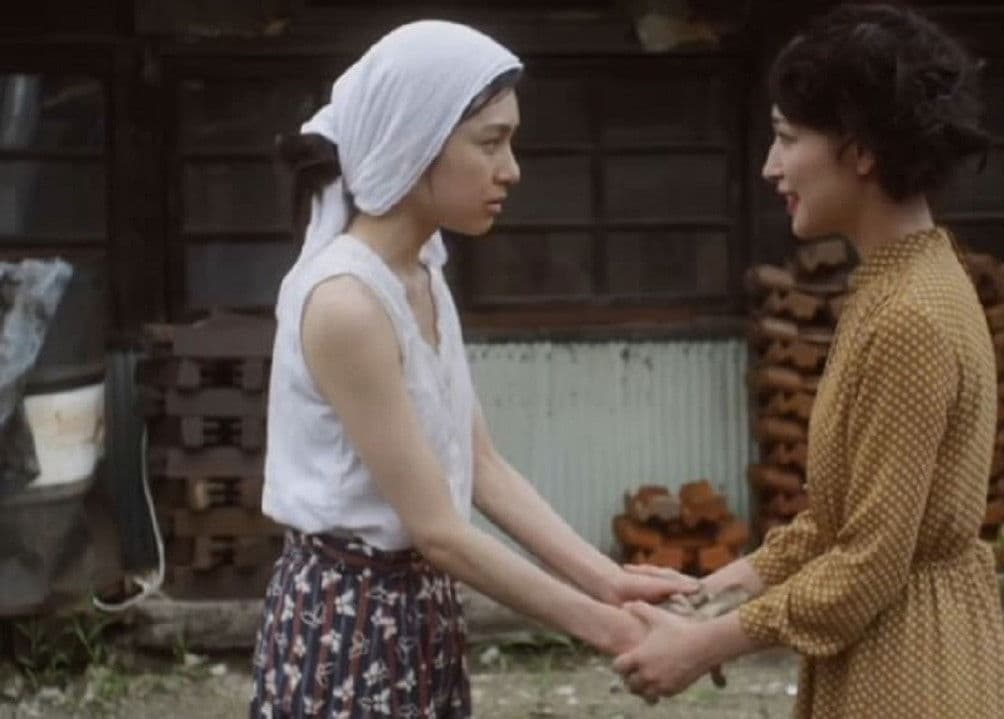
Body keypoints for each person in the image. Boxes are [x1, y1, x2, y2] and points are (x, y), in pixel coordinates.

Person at [249, 21, 695, 717]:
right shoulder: (346, 302)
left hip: (419, 606)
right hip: (346, 619)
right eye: (490, 143)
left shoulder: (422, 270)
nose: (510, 169)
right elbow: (439, 530)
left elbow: (481, 466)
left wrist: (610, 581)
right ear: (415, 140)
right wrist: (617, 632)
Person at [614, 4, 1004, 717]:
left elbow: (869, 562)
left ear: (860, 150)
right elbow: (841, 522)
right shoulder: (904, 282)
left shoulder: (908, 314)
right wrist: (711, 591)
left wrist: (703, 646)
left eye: (787, 138)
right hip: (906, 643)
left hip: (908, 668)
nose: (770, 166)